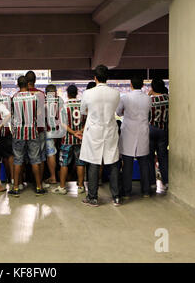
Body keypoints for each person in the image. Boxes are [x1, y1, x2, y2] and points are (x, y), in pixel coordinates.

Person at [80, 65, 122, 207]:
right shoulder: (115, 93)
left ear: (95, 78)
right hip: (110, 129)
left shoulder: (88, 93)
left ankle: (93, 197)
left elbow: (83, 111)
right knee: (113, 162)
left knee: (93, 163)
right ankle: (116, 196)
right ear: (107, 78)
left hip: (94, 131)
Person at [8, 76, 46, 197]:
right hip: (32, 131)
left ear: (18, 85)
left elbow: (11, 115)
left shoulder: (14, 98)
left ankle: (15, 188)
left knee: (18, 159)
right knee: (35, 159)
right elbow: (39, 113)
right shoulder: (34, 98)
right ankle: (39, 187)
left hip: (18, 132)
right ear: (28, 84)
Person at [116, 76, 152, 199]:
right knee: (144, 163)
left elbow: (118, 112)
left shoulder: (125, 98)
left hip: (129, 132)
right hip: (142, 131)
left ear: (131, 85)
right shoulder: (148, 98)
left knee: (127, 164)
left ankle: (127, 192)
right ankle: (146, 191)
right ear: (142, 85)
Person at [52, 85, 86, 195]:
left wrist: (73, 133)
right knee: (80, 163)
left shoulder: (64, 106)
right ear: (76, 93)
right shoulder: (82, 106)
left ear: (67, 94)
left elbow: (63, 125)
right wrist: (79, 131)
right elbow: (87, 122)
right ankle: (81, 186)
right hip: (80, 139)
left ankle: (62, 187)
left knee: (64, 163)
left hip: (67, 140)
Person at [0, 78, 14, 185]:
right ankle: (12, 179)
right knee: (9, 155)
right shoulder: (8, 98)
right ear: (1, 88)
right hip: (7, 130)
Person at [25, 71, 47, 185]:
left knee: (25, 156)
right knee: (41, 157)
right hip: (39, 129)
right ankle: (40, 181)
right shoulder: (41, 94)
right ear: (35, 81)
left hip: (26, 130)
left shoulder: (21, 94)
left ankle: (26, 180)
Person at [148, 78, 169, 193]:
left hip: (151, 129)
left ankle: (152, 183)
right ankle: (166, 182)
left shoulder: (149, 100)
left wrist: (149, 94)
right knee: (163, 157)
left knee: (150, 157)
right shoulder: (167, 98)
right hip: (163, 129)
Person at [44, 84, 64, 185]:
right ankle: (61, 177)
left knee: (51, 155)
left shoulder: (44, 101)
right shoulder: (60, 100)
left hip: (49, 133)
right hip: (60, 131)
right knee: (60, 155)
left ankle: (53, 177)